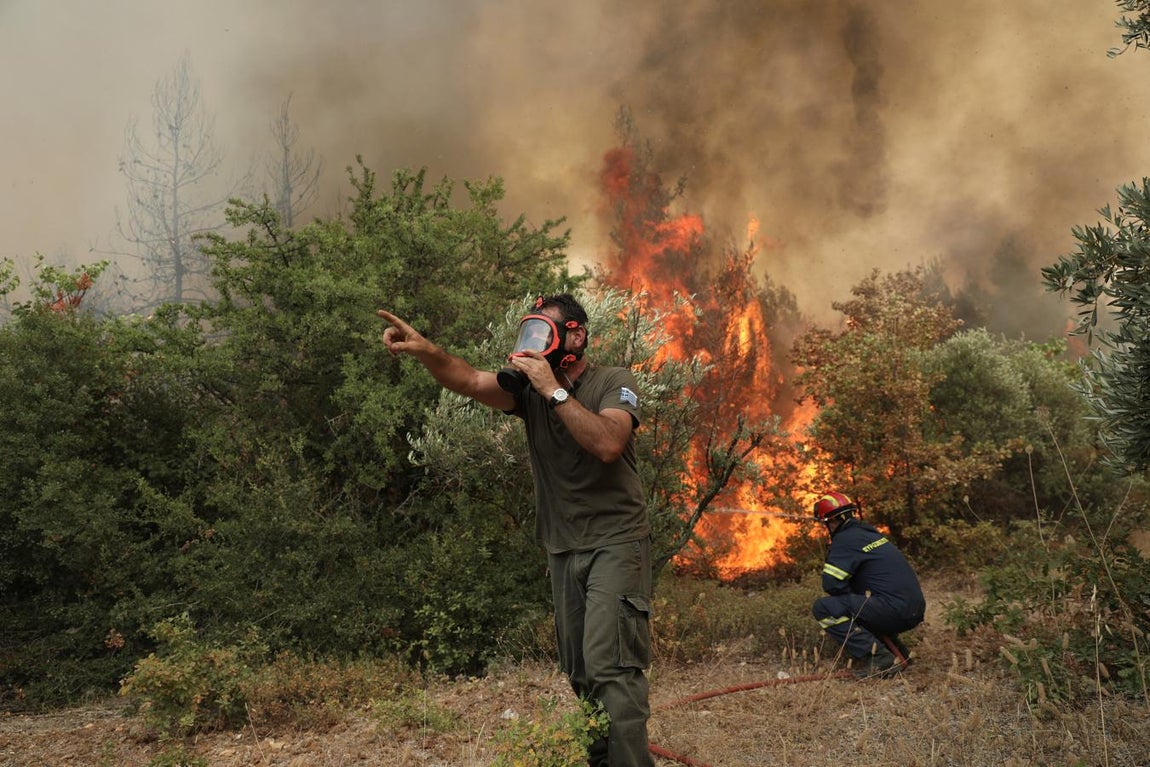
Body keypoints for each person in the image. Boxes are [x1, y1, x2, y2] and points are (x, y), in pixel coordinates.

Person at [378, 293, 655, 767]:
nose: (534, 344)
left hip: (615, 541)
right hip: (562, 547)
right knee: (581, 670)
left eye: (544, 333)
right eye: (530, 333)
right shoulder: (527, 394)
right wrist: (427, 351)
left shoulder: (613, 381)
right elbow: (466, 378)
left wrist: (555, 390)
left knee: (611, 668)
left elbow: (609, 443)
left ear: (575, 336)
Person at [810, 491, 925, 679]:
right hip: (914, 608)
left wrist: (849, 592)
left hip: (894, 611)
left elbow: (831, 584)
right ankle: (897, 653)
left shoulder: (844, 540)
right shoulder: (868, 532)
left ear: (831, 522)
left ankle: (878, 657)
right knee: (861, 602)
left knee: (824, 608)